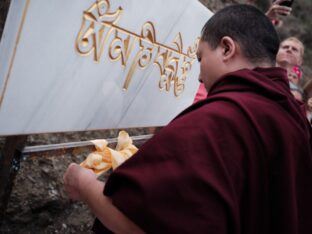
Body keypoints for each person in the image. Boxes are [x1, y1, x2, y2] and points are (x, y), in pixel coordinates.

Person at [64, 4, 312, 233]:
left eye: (200, 58)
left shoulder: (217, 121)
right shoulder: (294, 117)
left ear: (226, 48)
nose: (199, 76)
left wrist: (84, 184)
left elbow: (139, 224)